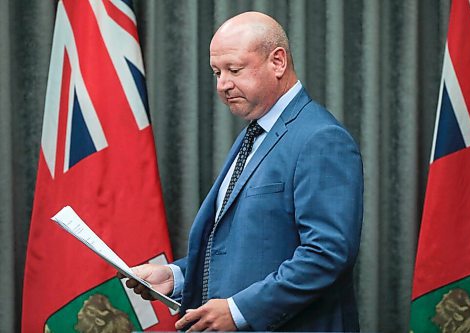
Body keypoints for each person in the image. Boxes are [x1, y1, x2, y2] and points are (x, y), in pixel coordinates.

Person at [121, 11, 363, 332]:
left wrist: (238, 311)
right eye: (216, 72)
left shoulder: (320, 138)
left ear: (277, 62)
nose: (223, 85)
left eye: (234, 69)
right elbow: (248, 247)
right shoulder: (255, 131)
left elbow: (325, 254)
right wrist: (178, 275)